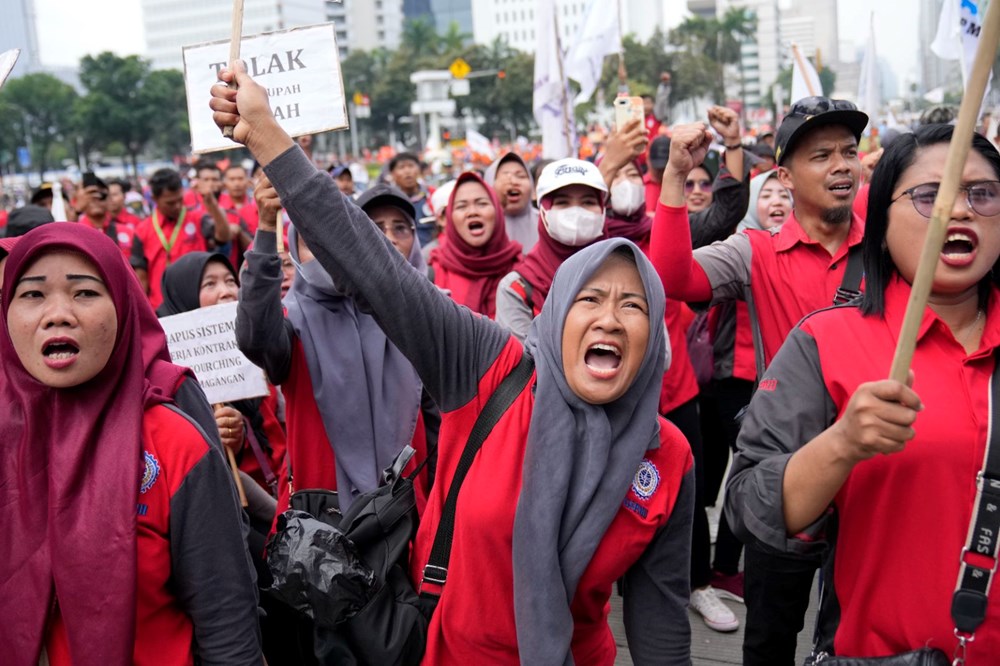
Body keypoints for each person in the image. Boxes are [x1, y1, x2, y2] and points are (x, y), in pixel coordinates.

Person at [211, 63, 695, 664]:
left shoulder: (666, 456)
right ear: (555, 316)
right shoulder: (491, 368)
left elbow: (660, 622)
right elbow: (372, 266)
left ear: (653, 335)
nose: (609, 320)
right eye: (589, 300)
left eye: (633, 305)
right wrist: (267, 137)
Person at [728, 124, 1000, 662]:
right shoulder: (825, 339)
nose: (959, 210)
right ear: (879, 223)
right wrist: (842, 444)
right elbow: (749, 506)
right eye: (931, 195)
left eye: (982, 193)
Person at [651, 97, 868, 664]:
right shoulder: (756, 252)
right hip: (785, 475)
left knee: (858, 633)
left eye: (849, 151)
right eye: (821, 155)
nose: (841, 165)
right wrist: (675, 176)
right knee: (771, 635)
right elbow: (674, 276)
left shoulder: (889, 249)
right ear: (784, 177)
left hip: (875, 469)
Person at [0, 223, 261, 665]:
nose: (58, 314)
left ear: (123, 306)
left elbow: (225, 619)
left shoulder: (175, 443)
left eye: (84, 293)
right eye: (32, 295)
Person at [236, 179, 434, 518]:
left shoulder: (399, 316)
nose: (325, 251)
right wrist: (267, 227)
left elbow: (436, 423)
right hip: (321, 526)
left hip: (404, 515)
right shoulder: (291, 322)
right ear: (295, 253)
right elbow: (255, 337)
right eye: (311, 242)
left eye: (334, 237)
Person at [495, 158, 609, 340]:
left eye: (588, 202)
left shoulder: (630, 274)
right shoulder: (518, 288)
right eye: (563, 203)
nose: (576, 212)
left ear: (603, 210)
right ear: (543, 212)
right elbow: (522, 362)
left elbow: (660, 355)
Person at [131, 168, 231, 307]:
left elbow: (224, 237)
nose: (177, 206)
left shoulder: (198, 219)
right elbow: (141, 278)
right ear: (154, 199)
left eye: (180, 200)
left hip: (199, 302)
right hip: (162, 308)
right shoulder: (142, 230)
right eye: (170, 203)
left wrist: (212, 204)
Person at [427, 172, 522, 318]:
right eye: (461, 206)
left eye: (482, 203)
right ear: (450, 218)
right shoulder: (432, 273)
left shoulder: (523, 270)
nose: (472, 212)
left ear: (497, 211)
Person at [484, 153, 539, 252]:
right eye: (504, 176)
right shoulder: (479, 228)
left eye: (521, 176)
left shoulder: (546, 223)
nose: (513, 182)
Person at [75, 172, 136, 256]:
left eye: (101, 195)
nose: (95, 199)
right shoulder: (74, 235)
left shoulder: (127, 232)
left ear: (109, 199)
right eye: (90, 195)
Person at [389, 152, 434, 246]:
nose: (407, 171)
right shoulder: (388, 202)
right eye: (401, 167)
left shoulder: (432, 195)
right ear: (393, 173)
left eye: (411, 166)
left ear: (419, 169)